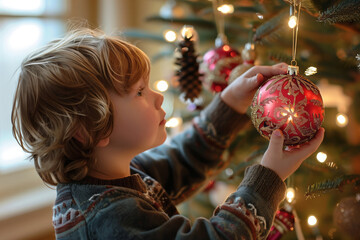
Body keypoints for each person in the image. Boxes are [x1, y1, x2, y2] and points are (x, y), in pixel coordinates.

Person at [11, 28, 324, 240]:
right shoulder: (108, 220)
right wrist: (268, 178)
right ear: (91, 129)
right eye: (139, 92)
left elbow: (183, 161)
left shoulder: (116, 174)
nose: (157, 96)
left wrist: (229, 103)